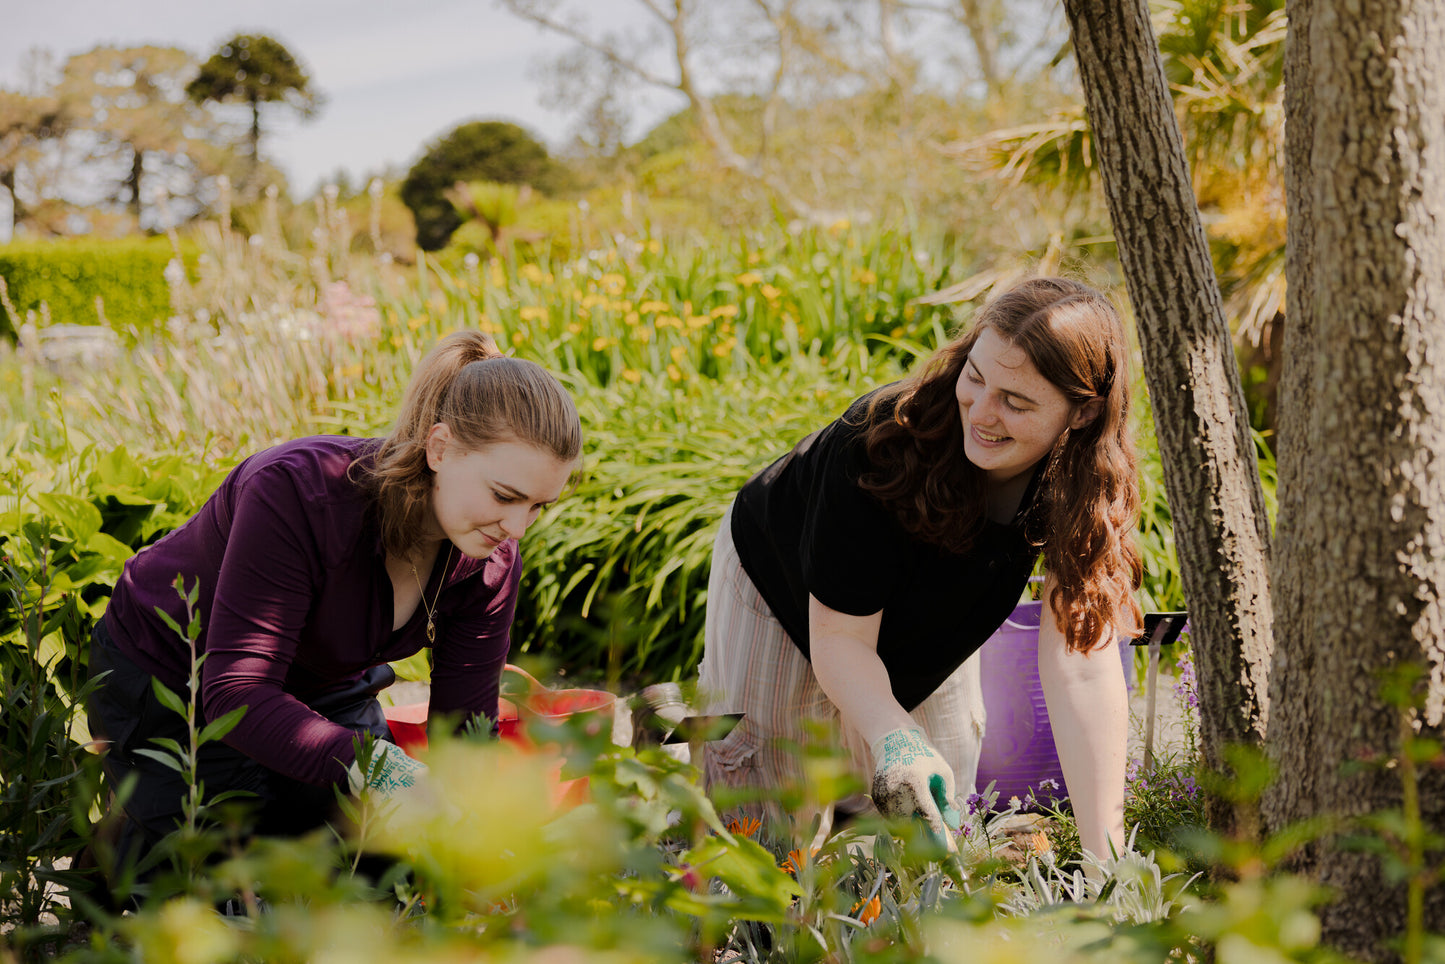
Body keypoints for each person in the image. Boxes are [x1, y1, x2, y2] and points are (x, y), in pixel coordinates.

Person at [86, 331, 582, 875]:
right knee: (231, 888)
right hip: (175, 676)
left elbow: (465, 730)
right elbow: (235, 692)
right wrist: (379, 767)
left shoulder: (489, 557)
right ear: (439, 449)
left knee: (376, 870)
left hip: (323, 687)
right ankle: (118, 850)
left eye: (538, 507)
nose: (516, 528)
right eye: (505, 496)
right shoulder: (298, 494)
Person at [698, 276, 1142, 859]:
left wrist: (1106, 861)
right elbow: (840, 636)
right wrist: (895, 737)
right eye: (976, 378)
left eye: (1016, 401)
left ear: (1081, 413)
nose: (981, 414)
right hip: (786, 597)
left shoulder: (1084, 485)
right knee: (772, 837)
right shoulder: (880, 443)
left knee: (932, 831)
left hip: (927, 615)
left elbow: (1081, 664)